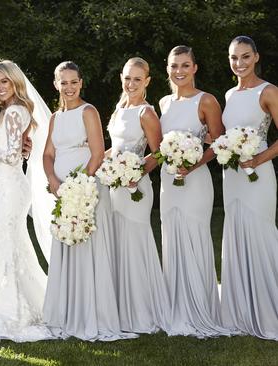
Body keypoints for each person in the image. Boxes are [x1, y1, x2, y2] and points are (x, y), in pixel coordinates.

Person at [42, 61, 136, 341]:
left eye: (74, 82)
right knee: (67, 247)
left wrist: (75, 186)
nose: (69, 87)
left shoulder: (89, 111)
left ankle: (93, 315)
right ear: (55, 84)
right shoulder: (55, 117)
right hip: (62, 192)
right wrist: (54, 181)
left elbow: (97, 154)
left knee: (88, 249)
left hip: (86, 191)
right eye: (63, 82)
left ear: (81, 83)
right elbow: (48, 154)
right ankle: (69, 313)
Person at [0, 60, 52, 342]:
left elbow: (13, 156)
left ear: (16, 83)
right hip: (5, 186)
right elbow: (20, 150)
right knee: (12, 247)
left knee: (4, 247)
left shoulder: (15, 111)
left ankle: (8, 314)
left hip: (11, 188)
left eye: (5, 81)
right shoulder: (8, 111)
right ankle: (20, 308)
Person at [158, 46, 230, 338]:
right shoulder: (162, 102)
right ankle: (175, 306)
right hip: (168, 181)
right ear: (167, 69)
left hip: (195, 181)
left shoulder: (207, 101)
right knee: (172, 237)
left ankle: (201, 308)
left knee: (194, 236)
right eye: (174, 66)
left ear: (195, 68)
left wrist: (193, 162)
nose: (179, 71)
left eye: (185, 65)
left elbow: (219, 144)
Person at [219, 36, 278, 340]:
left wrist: (257, 159)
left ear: (256, 57)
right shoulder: (229, 94)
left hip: (258, 176)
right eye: (233, 58)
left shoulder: (268, 92)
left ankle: (269, 312)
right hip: (234, 178)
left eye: (244, 57)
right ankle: (241, 311)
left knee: (261, 235)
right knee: (237, 235)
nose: (239, 63)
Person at [108, 57, 169, 334]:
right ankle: (121, 310)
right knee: (119, 245)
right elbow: (115, 147)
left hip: (136, 188)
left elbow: (158, 152)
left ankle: (142, 312)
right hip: (114, 186)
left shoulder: (146, 113)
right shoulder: (121, 108)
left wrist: (135, 173)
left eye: (137, 79)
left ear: (147, 81)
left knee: (135, 244)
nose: (130, 84)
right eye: (127, 78)